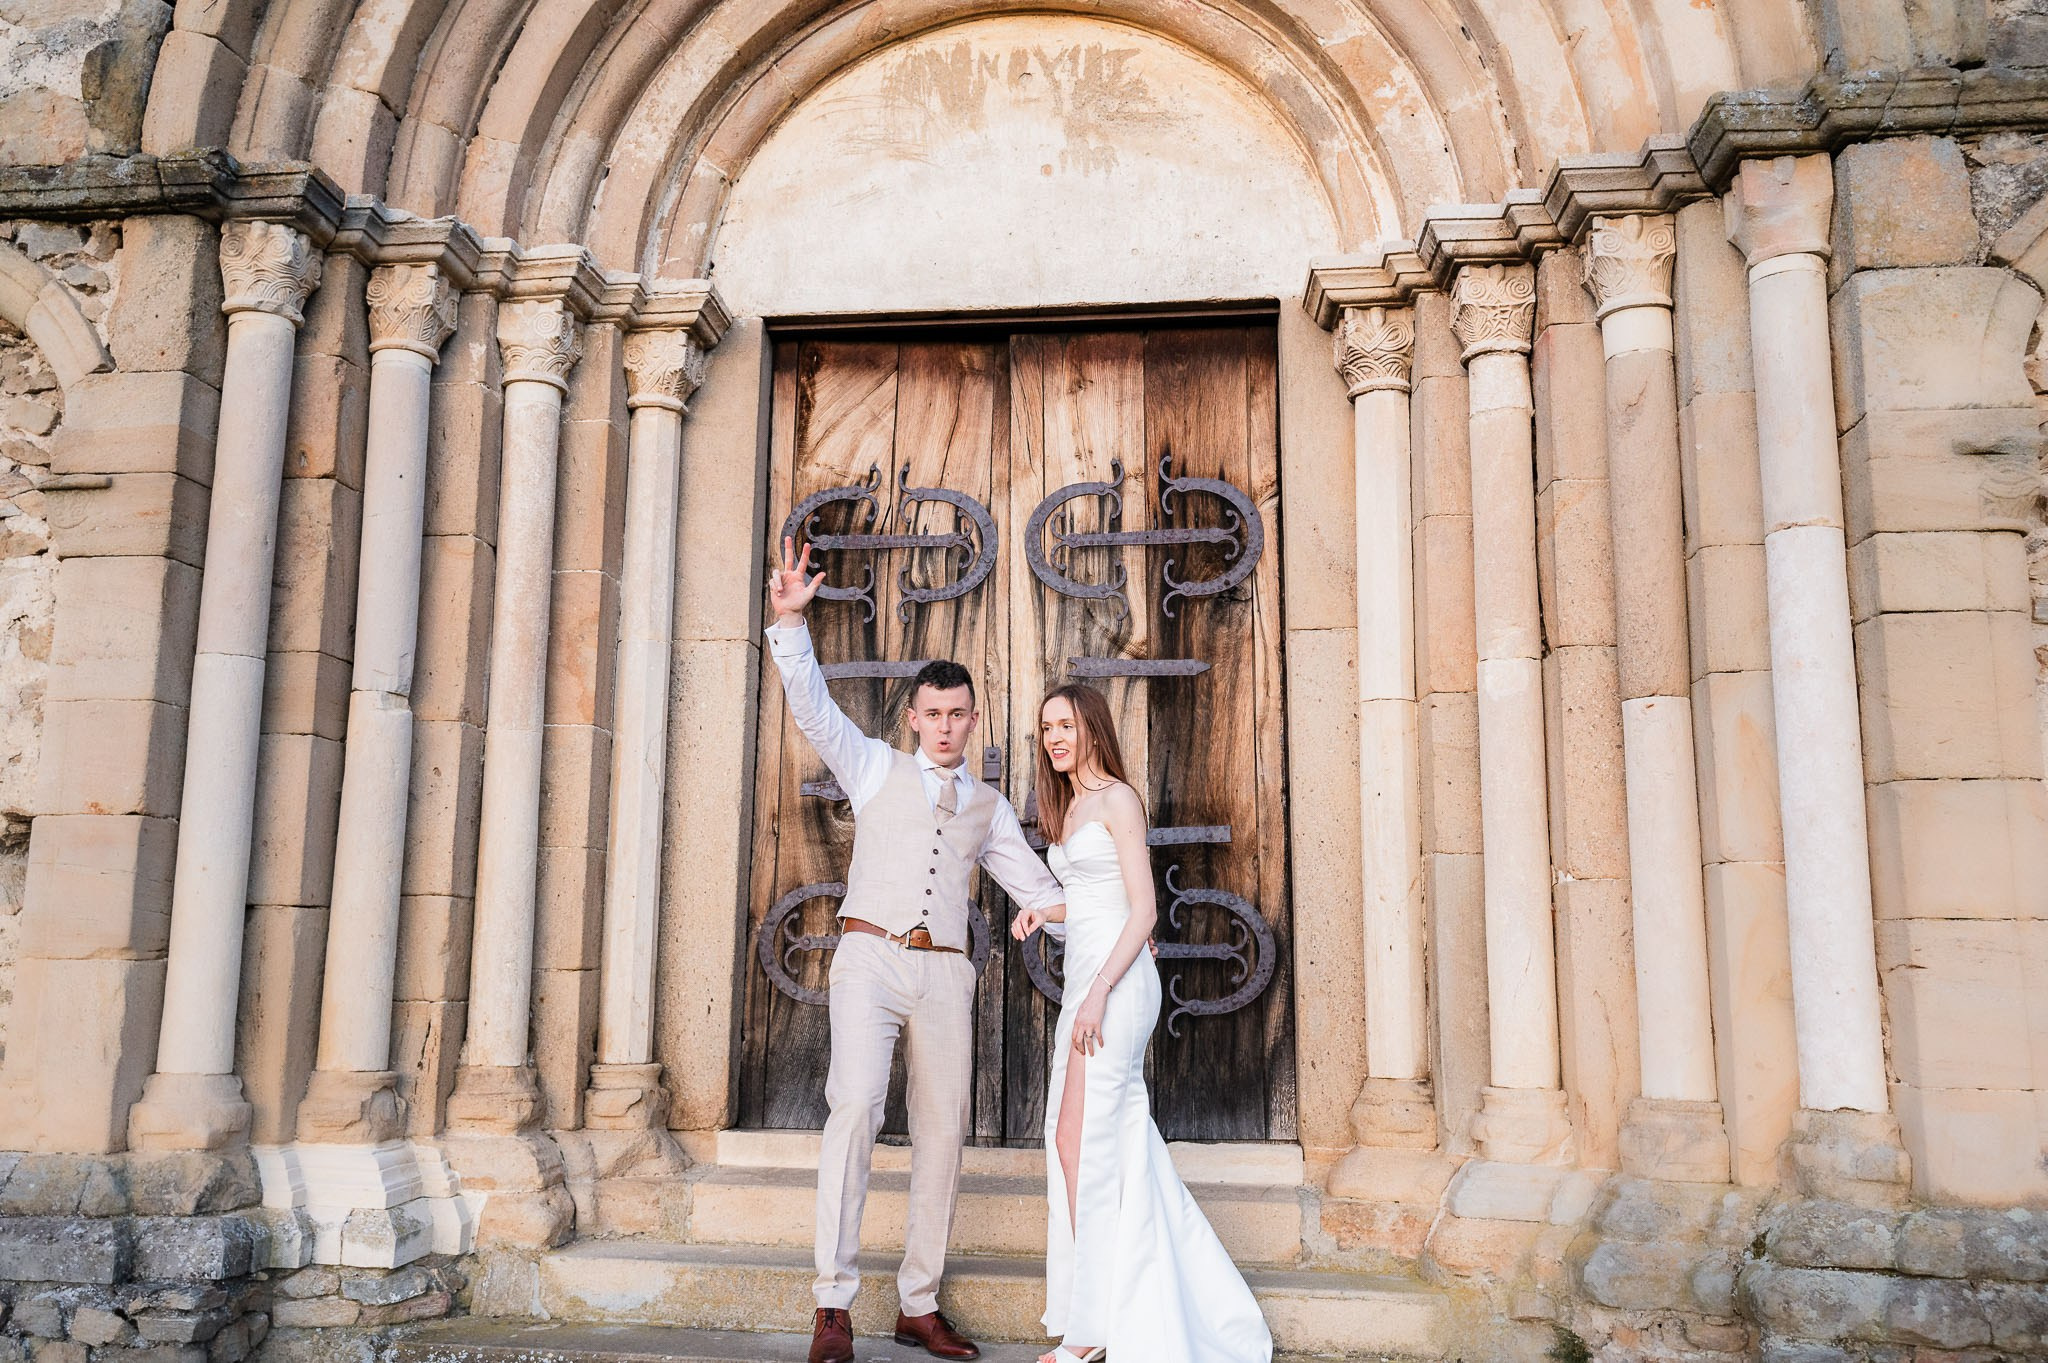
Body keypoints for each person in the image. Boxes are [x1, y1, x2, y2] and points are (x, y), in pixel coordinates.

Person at [766, 537, 1067, 1363]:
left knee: (944, 1132)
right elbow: (814, 708)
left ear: (973, 718)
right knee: (856, 1107)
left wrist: (1108, 922)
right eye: (931, 714)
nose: (943, 726)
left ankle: (918, 1304)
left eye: (957, 714)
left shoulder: (988, 805)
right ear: (915, 717)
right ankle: (833, 1306)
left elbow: (1037, 888)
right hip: (869, 959)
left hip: (944, 973)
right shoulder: (870, 765)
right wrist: (790, 625)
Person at [1011, 683, 1274, 1363]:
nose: (1055, 738)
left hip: (1118, 987)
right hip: (1088, 981)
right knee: (1071, 1140)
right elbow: (1089, 900)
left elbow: (1143, 911)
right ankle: (1099, 1299)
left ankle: (1092, 1330)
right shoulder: (1067, 807)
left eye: (1065, 724)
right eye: (1046, 729)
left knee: (1090, 1141)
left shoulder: (1119, 799)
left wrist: (1101, 989)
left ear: (1092, 726)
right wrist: (1048, 912)